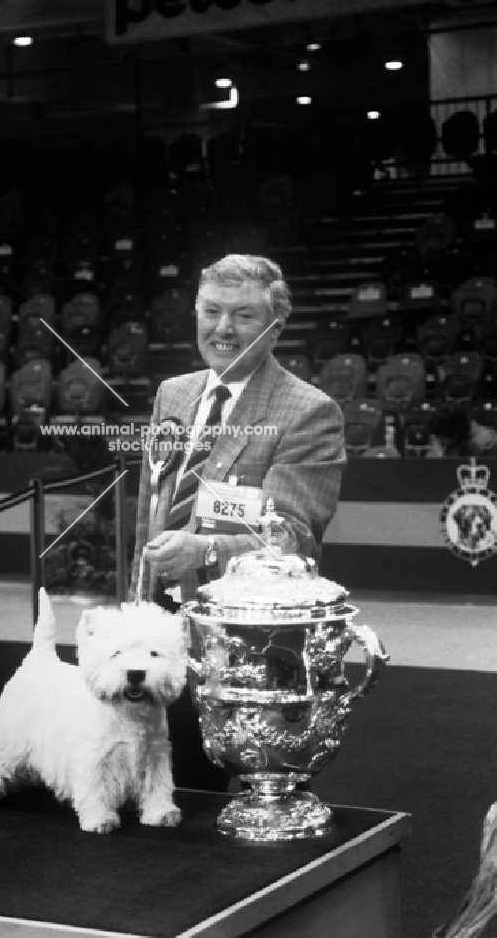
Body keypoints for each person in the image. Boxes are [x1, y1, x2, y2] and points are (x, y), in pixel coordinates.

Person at [130, 253, 346, 789]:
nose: (223, 329)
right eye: (211, 311)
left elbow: (292, 539)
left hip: (240, 640)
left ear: (275, 327)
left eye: (244, 315)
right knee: (160, 785)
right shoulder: (173, 394)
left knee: (233, 795)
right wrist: (136, 603)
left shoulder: (308, 411)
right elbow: (151, 505)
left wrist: (203, 550)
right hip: (158, 629)